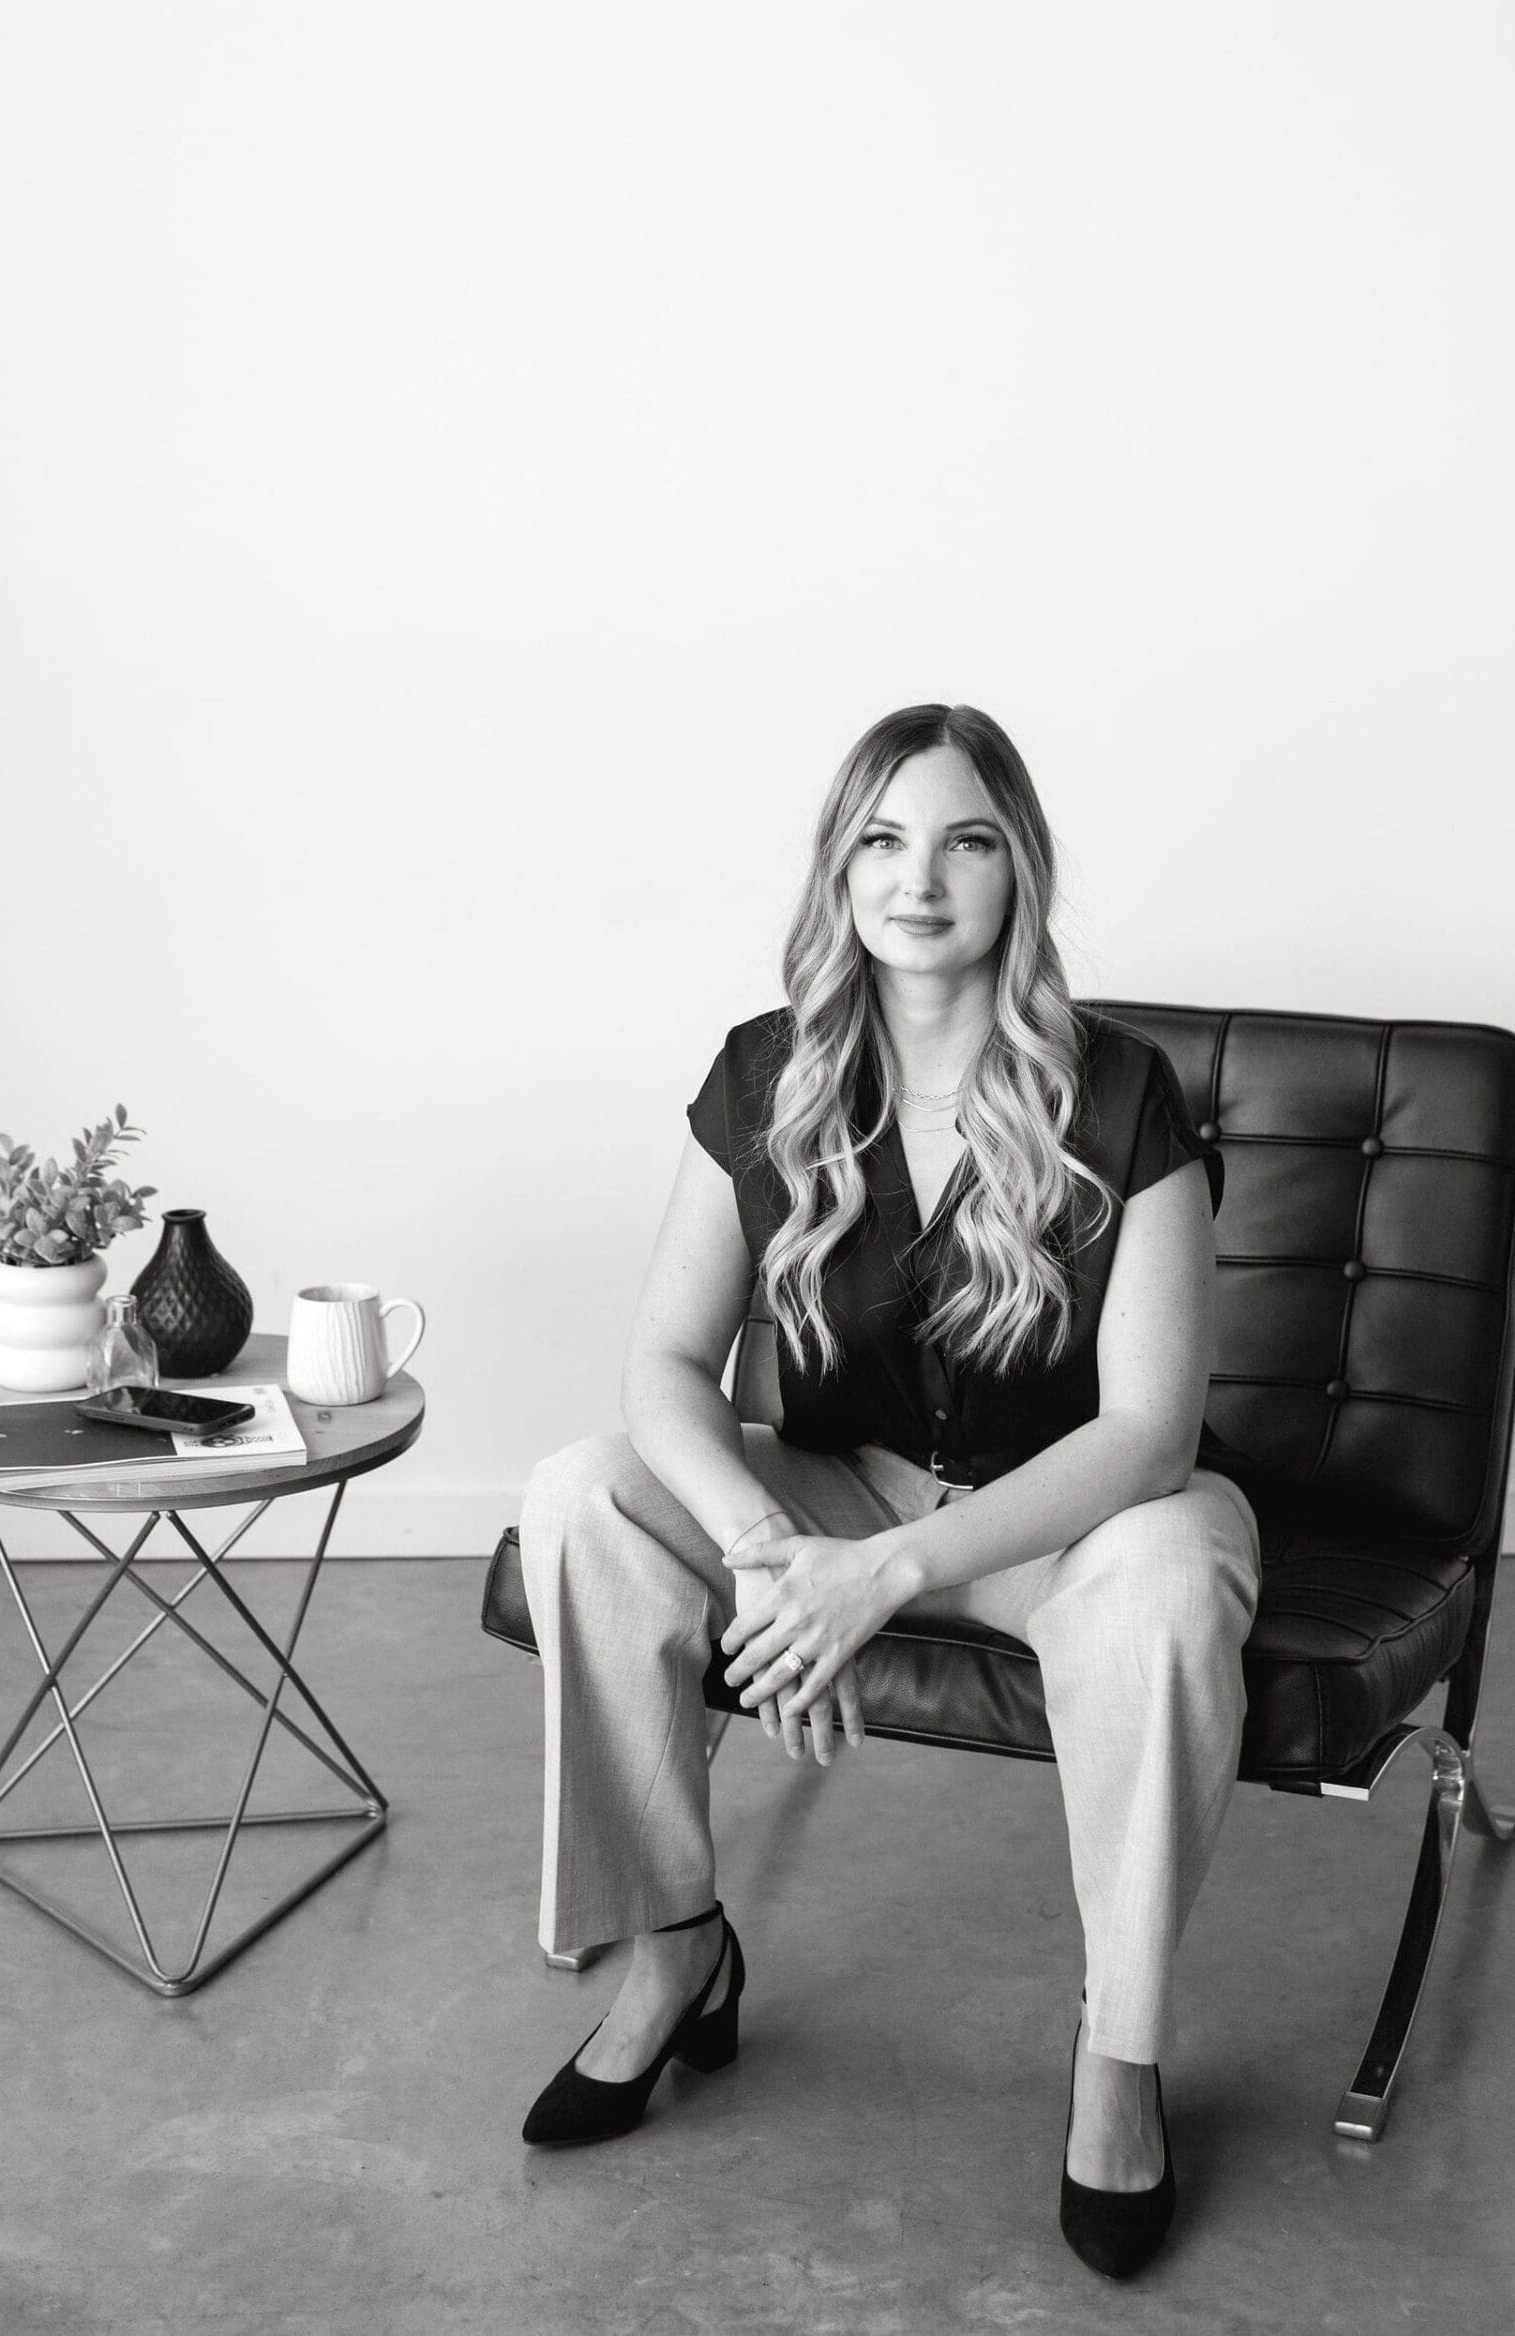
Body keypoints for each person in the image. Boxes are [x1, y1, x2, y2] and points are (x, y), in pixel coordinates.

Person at [516, 701, 1264, 2279]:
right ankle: (671, 1949)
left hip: (1076, 1521)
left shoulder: (1121, 1095)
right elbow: (662, 1366)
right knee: (583, 1489)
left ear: (1019, 875)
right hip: (844, 1491)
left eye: (965, 841)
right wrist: (777, 1548)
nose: (919, 880)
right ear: (839, 870)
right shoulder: (770, 1076)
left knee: (1171, 1587)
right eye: (882, 839)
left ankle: (1118, 2056)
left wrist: (888, 1578)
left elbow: (1149, 1436)